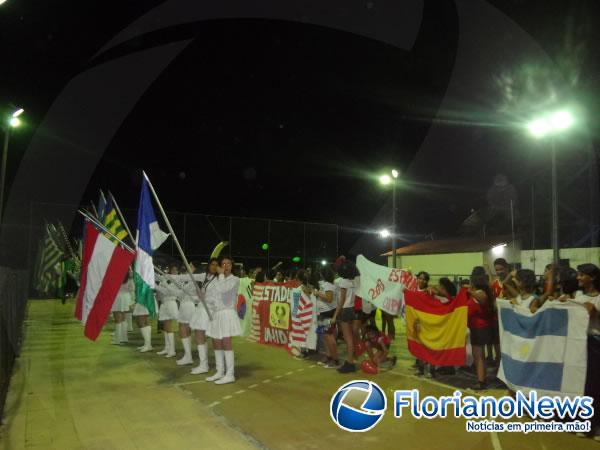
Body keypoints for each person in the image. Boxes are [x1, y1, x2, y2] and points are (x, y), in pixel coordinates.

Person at [566, 264, 600, 441]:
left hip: (594, 344)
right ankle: (583, 422)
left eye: (582, 275)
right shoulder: (578, 295)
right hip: (578, 343)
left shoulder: (597, 298)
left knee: (594, 385)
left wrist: (574, 304)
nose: (578, 278)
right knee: (581, 383)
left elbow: (590, 312)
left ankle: (596, 425)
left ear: (592, 278)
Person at [206, 256, 241, 384]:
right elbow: (214, 298)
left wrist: (220, 275)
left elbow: (224, 290)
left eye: (228, 264)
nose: (226, 266)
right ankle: (220, 371)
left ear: (232, 266)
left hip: (227, 313)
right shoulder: (216, 280)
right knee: (216, 342)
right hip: (217, 314)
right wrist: (202, 298)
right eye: (223, 264)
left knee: (226, 342)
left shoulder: (235, 280)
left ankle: (230, 374)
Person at [189, 258, 219, 374]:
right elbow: (202, 296)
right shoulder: (205, 277)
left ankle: (204, 365)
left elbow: (216, 298)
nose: (214, 267)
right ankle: (203, 364)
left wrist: (204, 296)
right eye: (212, 264)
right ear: (209, 265)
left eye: (216, 265)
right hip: (201, 309)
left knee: (202, 336)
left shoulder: (217, 280)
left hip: (209, 311)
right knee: (199, 336)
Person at [467, 271, 496, 390]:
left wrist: (470, 291)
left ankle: (481, 381)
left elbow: (482, 300)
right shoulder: (484, 293)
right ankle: (481, 379)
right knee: (479, 356)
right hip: (479, 327)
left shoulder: (480, 294)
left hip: (479, 328)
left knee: (479, 356)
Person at [333, 260, 359, 373]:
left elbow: (342, 300)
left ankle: (350, 363)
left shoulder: (343, 282)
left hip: (345, 310)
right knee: (350, 338)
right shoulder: (353, 281)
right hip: (352, 309)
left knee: (348, 339)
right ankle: (351, 360)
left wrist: (335, 316)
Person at [173, 262, 202, 364]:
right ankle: (188, 354)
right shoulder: (188, 279)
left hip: (188, 306)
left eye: (191, 265)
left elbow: (182, 292)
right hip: (184, 305)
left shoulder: (194, 280)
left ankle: (189, 356)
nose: (188, 266)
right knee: (184, 329)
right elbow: (180, 294)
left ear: (194, 268)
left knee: (184, 329)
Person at [314, 267, 339, 368]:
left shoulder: (329, 285)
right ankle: (329, 356)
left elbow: (329, 299)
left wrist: (318, 293)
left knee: (329, 337)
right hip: (323, 313)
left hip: (328, 313)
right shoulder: (325, 284)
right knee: (325, 337)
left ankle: (335, 360)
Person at [154, 265, 180, 358]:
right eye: (172, 269)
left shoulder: (178, 281)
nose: (173, 271)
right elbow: (161, 293)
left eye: (175, 270)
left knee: (169, 327)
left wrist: (158, 285)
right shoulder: (166, 279)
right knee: (165, 327)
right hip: (164, 303)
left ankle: (172, 350)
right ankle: (167, 347)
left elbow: (167, 292)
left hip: (170, 303)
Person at [111, 271, 135, 345]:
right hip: (126, 298)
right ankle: (124, 338)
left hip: (117, 297)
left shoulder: (115, 278)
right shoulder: (130, 279)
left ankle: (118, 339)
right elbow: (133, 289)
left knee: (118, 319)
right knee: (123, 318)